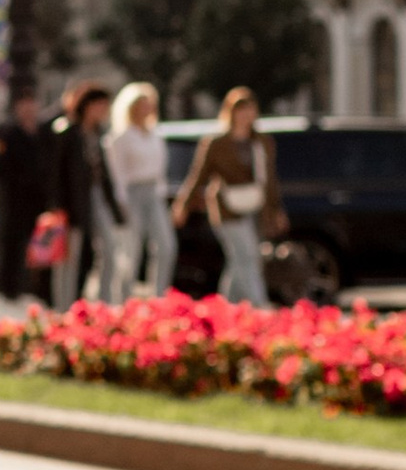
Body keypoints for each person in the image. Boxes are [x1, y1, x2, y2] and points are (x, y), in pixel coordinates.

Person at [174, 82, 282, 306]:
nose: (246, 115)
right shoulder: (216, 143)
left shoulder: (261, 142)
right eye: (240, 110)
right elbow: (198, 176)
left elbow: (269, 179)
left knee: (238, 261)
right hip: (227, 208)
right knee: (248, 256)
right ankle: (260, 305)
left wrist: (277, 209)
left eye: (250, 109)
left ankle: (225, 307)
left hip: (255, 207)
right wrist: (183, 204)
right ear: (230, 112)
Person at [47, 79, 116, 312]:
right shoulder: (66, 131)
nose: (104, 112)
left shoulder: (96, 133)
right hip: (71, 204)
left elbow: (103, 174)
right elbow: (55, 174)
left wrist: (116, 208)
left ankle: (103, 305)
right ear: (89, 105)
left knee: (109, 250)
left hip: (94, 199)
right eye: (101, 106)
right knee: (68, 259)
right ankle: (62, 309)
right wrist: (57, 206)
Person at [104, 82, 173, 297]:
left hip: (153, 193)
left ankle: (159, 294)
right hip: (132, 194)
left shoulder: (156, 134)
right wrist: (121, 201)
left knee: (166, 245)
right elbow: (118, 173)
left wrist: (160, 193)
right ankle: (123, 297)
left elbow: (160, 168)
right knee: (131, 250)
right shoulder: (121, 137)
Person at [0, 85, 51, 300]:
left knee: (43, 245)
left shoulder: (44, 133)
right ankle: (10, 289)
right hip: (15, 200)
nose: (29, 109)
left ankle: (43, 290)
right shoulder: (8, 134)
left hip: (39, 199)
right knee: (12, 245)